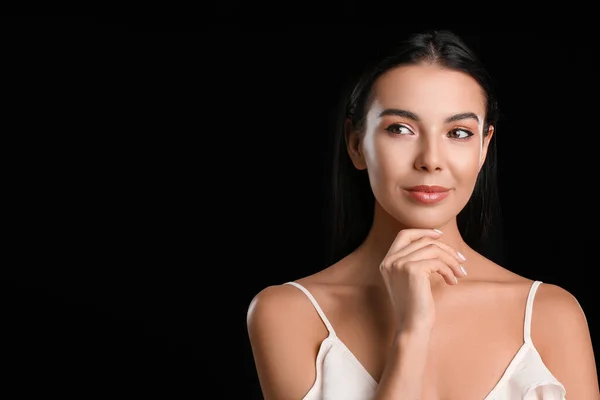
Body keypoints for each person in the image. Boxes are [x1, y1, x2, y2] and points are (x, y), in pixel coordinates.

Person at [246, 30, 599, 399]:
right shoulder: (288, 314)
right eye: (400, 129)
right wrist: (412, 331)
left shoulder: (551, 315)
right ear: (356, 145)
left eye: (458, 132)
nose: (430, 160)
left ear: (483, 148)